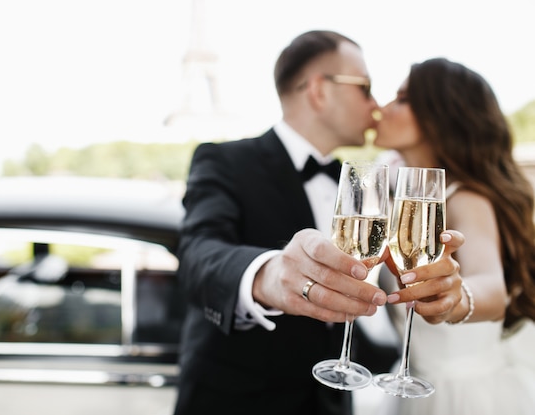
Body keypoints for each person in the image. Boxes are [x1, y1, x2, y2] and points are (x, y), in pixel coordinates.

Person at [173, 31, 466, 415]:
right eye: (365, 87)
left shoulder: (367, 183)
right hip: (236, 402)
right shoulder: (224, 161)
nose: (376, 105)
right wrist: (270, 274)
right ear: (319, 91)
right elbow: (197, 256)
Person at [373, 57, 535, 415]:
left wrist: (454, 298)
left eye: (402, 99)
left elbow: (492, 286)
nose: (381, 108)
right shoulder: (398, 196)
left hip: (464, 399)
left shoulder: (464, 197)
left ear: (440, 115)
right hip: (412, 385)